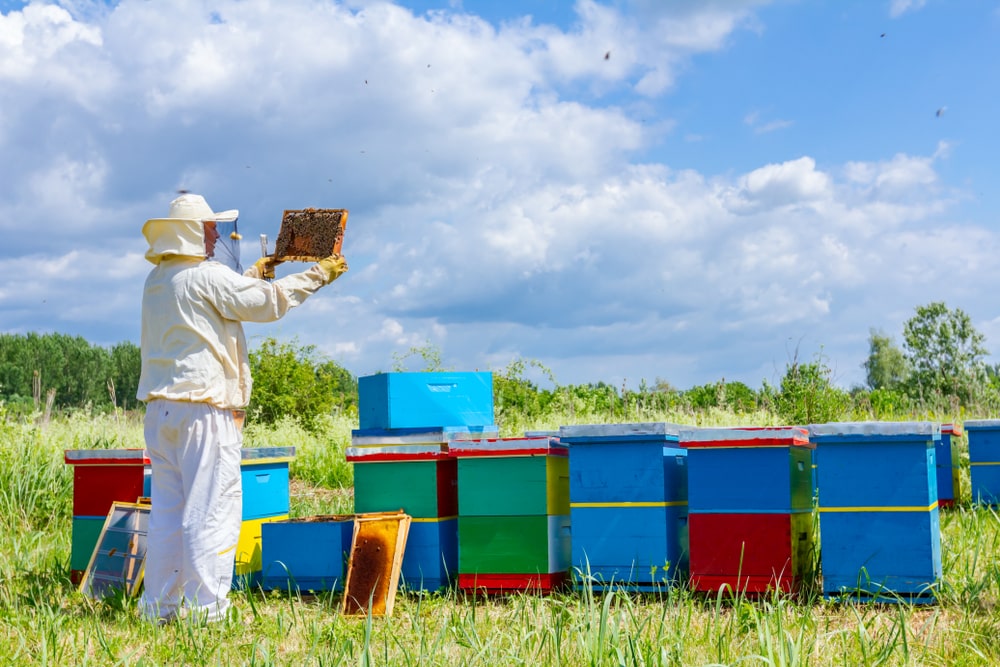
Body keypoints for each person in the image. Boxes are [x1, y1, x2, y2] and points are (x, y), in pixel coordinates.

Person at [136, 193, 347, 624]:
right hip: (203, 412)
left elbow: (223, 300)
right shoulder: (207, 275)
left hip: (162, 413)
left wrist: (255, 273)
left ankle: (159, 610)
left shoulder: (159, 279)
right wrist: (316, 275)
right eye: (210, 227)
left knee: (168, 517)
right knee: (211, 511)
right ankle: (206, 616)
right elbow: (265, 304)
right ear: (192, 232)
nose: (216, 234)